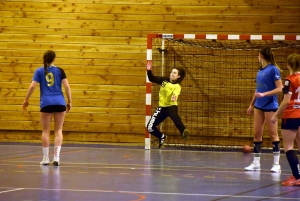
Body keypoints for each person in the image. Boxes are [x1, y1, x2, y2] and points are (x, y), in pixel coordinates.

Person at [22, 50, 72, 166]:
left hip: (46, 103)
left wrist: (26, 99)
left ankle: (45, 158)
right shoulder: (60, 70)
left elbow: (32, 86)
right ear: (54, 59)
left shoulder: (39, 71)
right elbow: (67, 87)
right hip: (60, 102)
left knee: (45, 131)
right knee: (58, 131)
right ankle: (56, 157)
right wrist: (70, 101)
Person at [244, 46, 283, 172]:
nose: (257, 57)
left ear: (261, 56)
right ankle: (256, 163)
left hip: (270, 106)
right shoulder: (260, 70)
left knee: (273, 134)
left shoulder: (274, 70)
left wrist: (265, 95)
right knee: (257, 134)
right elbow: (258, 90)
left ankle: (276, 164)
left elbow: (280, 88)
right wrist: (251, 104)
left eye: (258, 55)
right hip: (258, 106)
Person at [271, 53, 300, 186]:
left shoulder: (289, 80)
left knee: (288, 146)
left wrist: (275, 115)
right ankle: (297, 174)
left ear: (288, 64)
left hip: (291, 115)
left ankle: (297, 176)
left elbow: (286, 101)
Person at [146, 64, 189, 148]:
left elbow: (176, 93)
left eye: (174, 73)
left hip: (171, 106)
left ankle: (183, 131)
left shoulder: (177, 87)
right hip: (161, 108)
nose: (172, 74)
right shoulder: (164, 80)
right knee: (150, 128)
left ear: (178, 76)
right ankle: (162, 136)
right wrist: (149, 70)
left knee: (174, 116)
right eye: (172, 72)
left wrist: (174, 96)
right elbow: (152, 78)